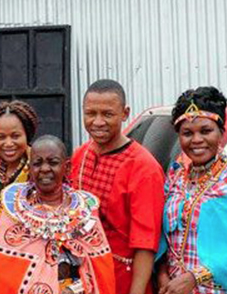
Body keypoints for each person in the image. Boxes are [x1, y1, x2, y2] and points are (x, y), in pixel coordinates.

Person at [156, 87, 227, 294]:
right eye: (187, 133)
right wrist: (162, 273)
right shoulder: (176, 178)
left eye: (205, 131)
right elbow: (163, 237)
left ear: (221, 132)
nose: (196, 140)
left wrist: (194, 278)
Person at [0, 135, 116, 294]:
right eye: (37, 163)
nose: (45, 169)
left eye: (53, 162)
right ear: (30, 168)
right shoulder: (14, 213)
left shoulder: (85, 212)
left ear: (67, 167)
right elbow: (4, 276)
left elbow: (100, 268)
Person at [70, 79, 164, 294]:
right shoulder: (80, 155)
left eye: (107, 114)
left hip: (123, 278)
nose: (98, 122)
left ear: (125, 113)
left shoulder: (143, 167)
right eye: (90, 113)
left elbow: (145, 242)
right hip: (83, 275)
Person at [0, 101, 40, 224]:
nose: (8, 143)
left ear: (27, 136)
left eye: (15, 136)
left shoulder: (40, 171)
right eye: (1, 137)